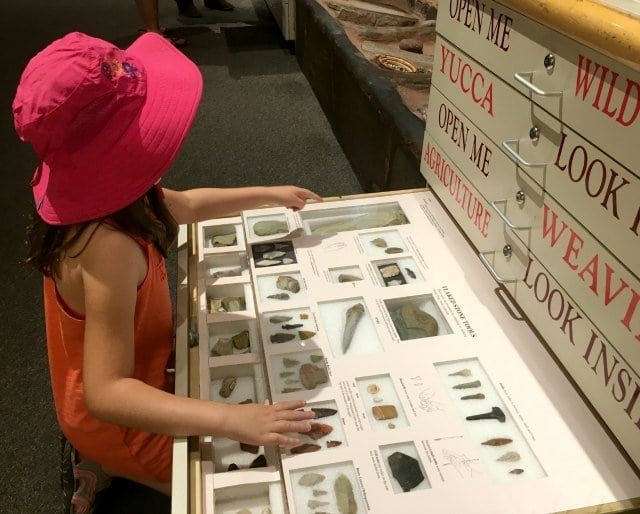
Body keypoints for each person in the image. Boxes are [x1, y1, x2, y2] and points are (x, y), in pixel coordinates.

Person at [13, 32, 321, 513]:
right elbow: (108, 393)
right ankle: (107, 460)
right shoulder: (107, 247)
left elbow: (186, 204)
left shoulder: (108, 194)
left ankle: (101, 455)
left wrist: (270, 192)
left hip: (145, 368)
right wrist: (233, 420)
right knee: (258, 485)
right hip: (122, 421)